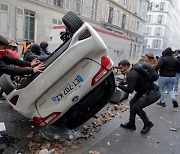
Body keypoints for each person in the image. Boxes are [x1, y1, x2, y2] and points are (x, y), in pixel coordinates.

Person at [116, 59, 160, 134]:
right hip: (143, 91)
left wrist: (117, 85)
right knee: (132, 103)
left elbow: (130, 89)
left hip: (152, 92)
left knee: (137, 108)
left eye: (121, 68)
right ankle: (131, 124)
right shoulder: (131, 72)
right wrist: (120, 83)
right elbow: (126, 82)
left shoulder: (132, 74)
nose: (120, 71)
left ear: (126, 66)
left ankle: (148, 124)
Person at [0, 35, 45, 100]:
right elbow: (7, 69)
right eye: (3, 48)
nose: (5, 50)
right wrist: (32, 70)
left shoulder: (3, 55)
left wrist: (30, 64)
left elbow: (12, 60)